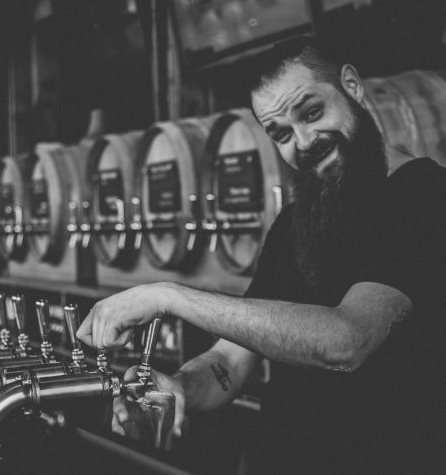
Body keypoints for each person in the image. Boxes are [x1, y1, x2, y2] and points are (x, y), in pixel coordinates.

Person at [76, 36, 446, 474]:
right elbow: (228, 363)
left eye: (312, 113)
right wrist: (177, 387)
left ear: (352, 86)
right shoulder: (294, 224)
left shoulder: (424, 196)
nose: (303, 142)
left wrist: (169, 296)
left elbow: (346, 341)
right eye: (281, 134)